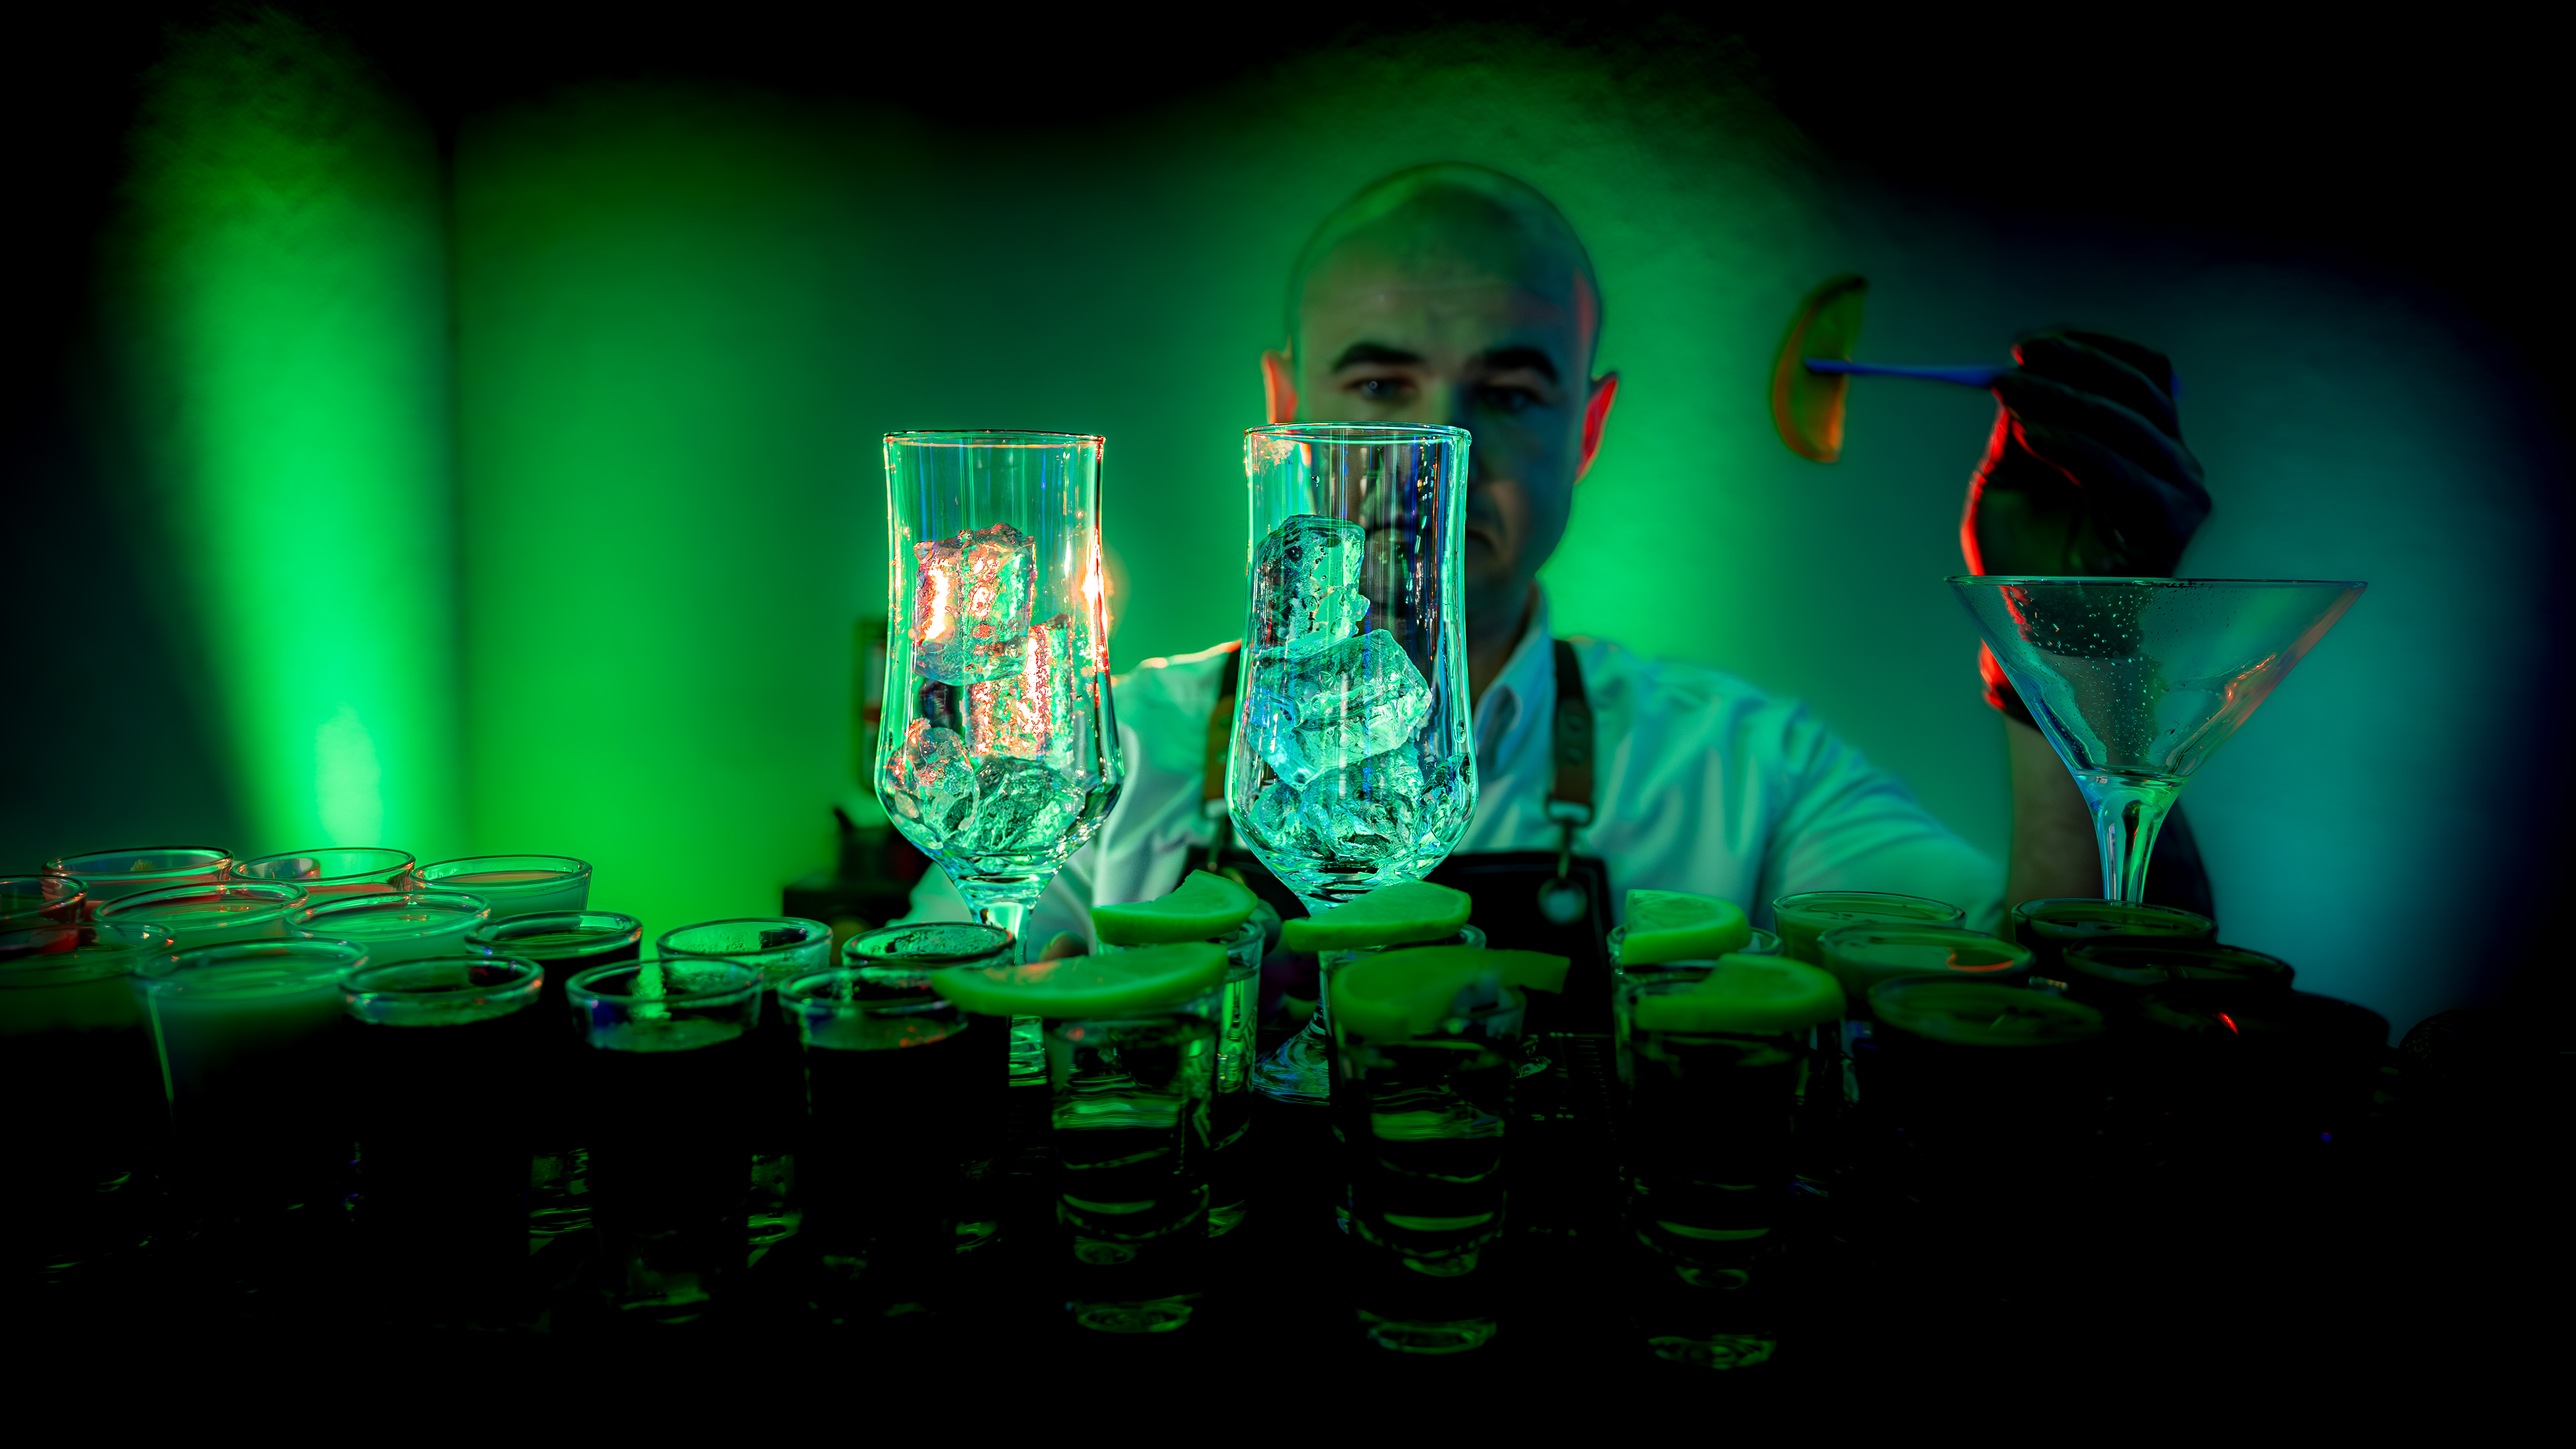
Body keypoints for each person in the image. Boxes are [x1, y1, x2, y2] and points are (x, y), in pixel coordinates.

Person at [898, 162, 2211, 1024]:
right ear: (1285, 414)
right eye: (1379, 386)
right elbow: (948, 1004)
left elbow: (2045, 996)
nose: (1440, 455)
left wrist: (2076, 634)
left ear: (1586, 430)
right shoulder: (1098, 755)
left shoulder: (1747, 768)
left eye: (1509, 393)